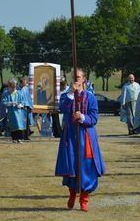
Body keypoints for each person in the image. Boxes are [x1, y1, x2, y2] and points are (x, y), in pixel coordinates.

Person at [55, 69, 105, 212]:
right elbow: (63, 108)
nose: (75, 80)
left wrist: (82, 117)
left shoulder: (90, 97)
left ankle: (84, 199)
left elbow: (94, 118)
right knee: (71, 165)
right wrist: (71, 93)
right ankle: (72, 194)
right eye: (73, 77)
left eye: (78, 77)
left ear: (84, 79)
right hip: (70, 136)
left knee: (87, 166)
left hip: (86, 136)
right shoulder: (66, 96)